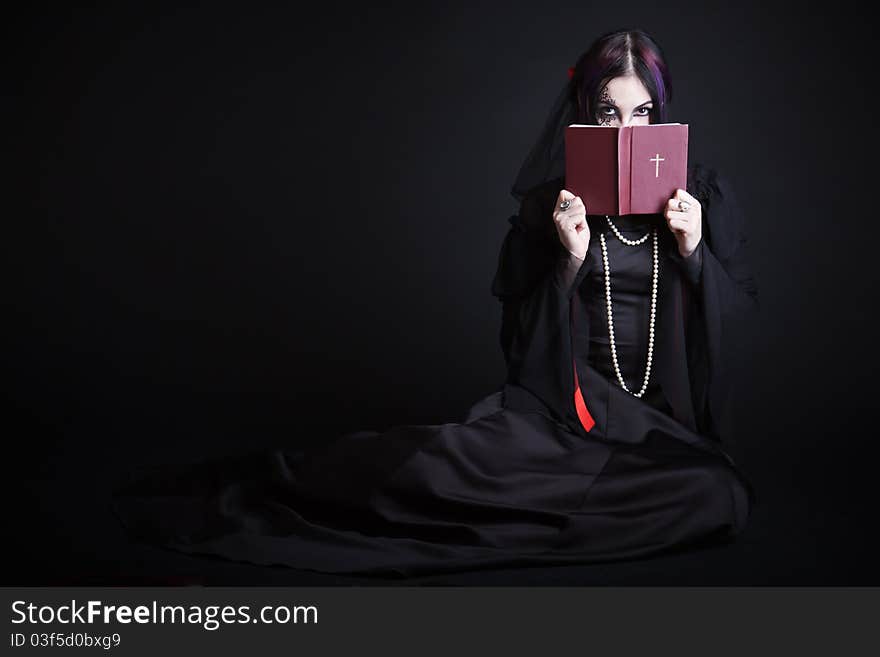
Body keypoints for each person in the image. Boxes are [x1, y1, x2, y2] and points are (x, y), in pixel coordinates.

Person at [112, 27, 758, 578]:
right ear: (584, 115)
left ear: (663, 112)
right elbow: (520, 347)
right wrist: (565, 259)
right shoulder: (550, 207)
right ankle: (283, 482)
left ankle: (560, 516)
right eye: (608, 112)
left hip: (654, 432)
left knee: (718, 494)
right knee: (439, 470)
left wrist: (694, 253)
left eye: (642, 113)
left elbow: (731, 331)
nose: (625, 128)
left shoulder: (698, 199)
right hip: (565, 416)